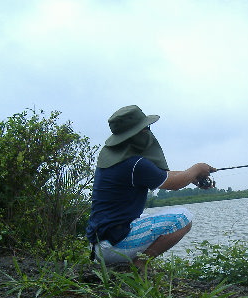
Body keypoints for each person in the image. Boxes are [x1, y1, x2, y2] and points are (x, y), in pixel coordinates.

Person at [86, 105, 216, 269]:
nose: (148, 131)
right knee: (183, 217)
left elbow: (164, 176)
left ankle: (128, 262)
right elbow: (174, 184)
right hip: (113, 246)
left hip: (99, 244)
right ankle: (139, 265)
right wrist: (197, 168)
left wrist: (191, 177)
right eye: (145, 128)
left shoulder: (115, 158)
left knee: (144, 216)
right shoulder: (134, 164)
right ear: (136, 133)